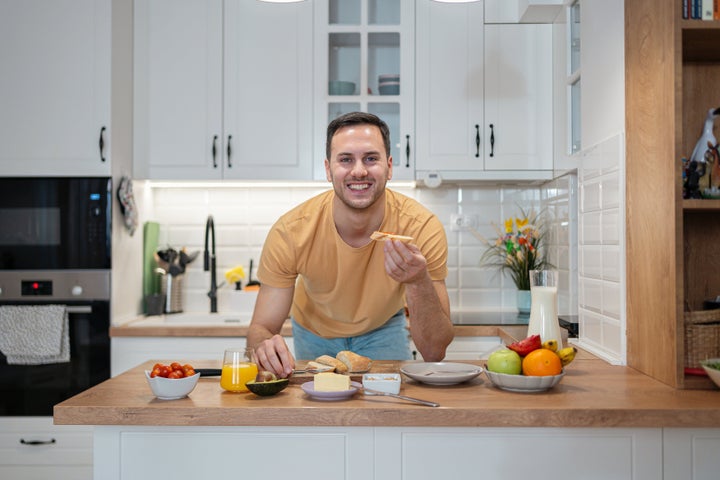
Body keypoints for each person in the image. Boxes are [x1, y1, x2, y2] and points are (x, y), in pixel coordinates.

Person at [248, 112, 454, 378]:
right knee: (320, 413)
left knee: (389, 411)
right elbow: (261, 327)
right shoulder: (291, 231)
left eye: (371, 158)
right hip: (313, 334)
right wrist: (263, 346)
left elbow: (435, 352)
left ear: (389, 167)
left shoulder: (421, 228)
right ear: (328, 169)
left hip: (383, 329)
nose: (359, 170)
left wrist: (418, 281)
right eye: (346, 159)